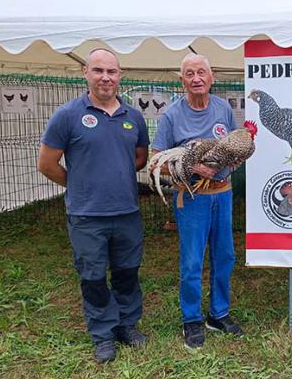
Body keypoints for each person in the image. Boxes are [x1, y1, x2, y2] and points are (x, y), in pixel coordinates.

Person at [37, 48, 150, 364]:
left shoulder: (134, 117)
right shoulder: (68, 115)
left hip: (127, 213)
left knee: (128, 273)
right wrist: (79, 186)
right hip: (87, 216)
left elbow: (140, 157)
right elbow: (47, 164)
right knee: (94, 277)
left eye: (111, 72)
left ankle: (127, 326)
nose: (105, 78)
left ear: (120, 75)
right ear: (85, 72)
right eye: (98, 70)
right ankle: (103, 333)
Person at [152, 53, 243, 349]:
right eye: (190, 74)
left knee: (225, 256)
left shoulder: (222, 109)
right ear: (182, 81)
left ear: (212, 77)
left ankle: (218, 313)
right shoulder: (171, 115)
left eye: (201, 72)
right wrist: (191, 167)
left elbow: (231, 143)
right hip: (191, 197)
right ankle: (191, 318)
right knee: (192, 260)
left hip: (223, 192)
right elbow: (155, 161)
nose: (196, 79)